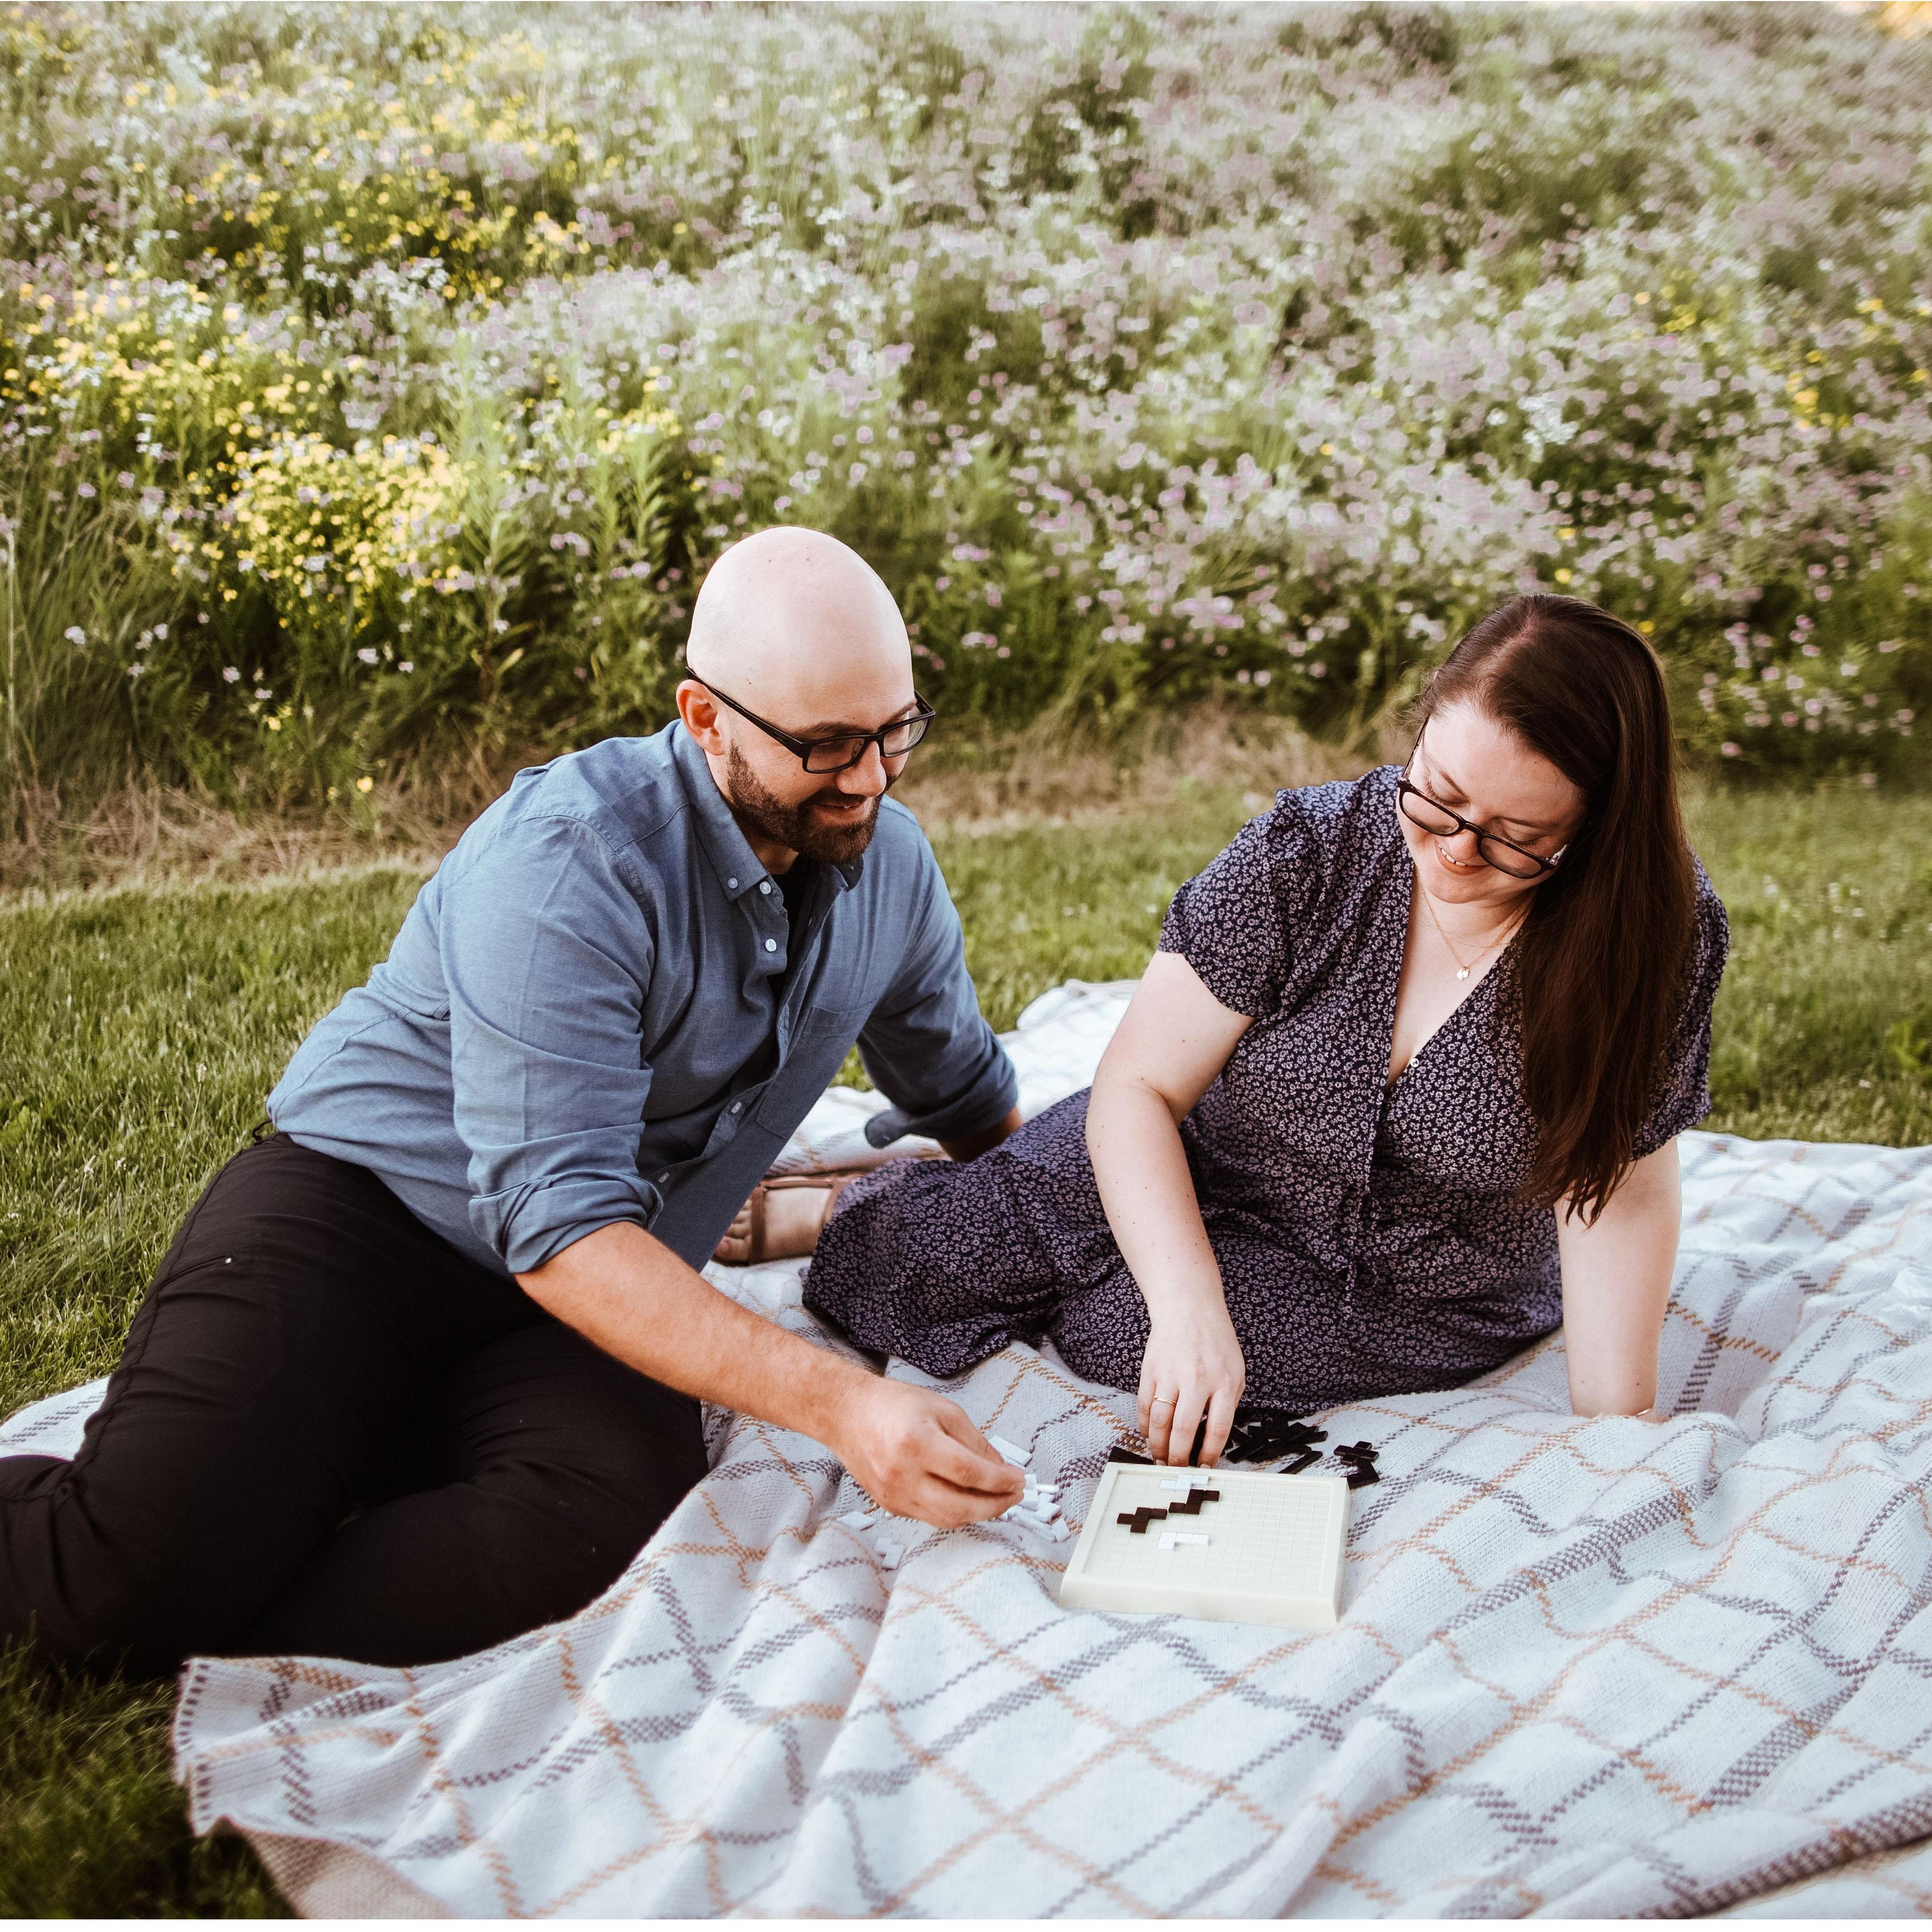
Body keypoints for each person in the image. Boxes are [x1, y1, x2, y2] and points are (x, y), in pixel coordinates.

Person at [0, 527, 1026, 1676]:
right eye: (827, 746)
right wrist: (842, 1407)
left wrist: (1086, 1207)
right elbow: (559, 1225)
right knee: (117, 1584)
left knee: (587, 1535)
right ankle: (201, 1549)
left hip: (600, 1293)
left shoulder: (891, 865)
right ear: (704, 719)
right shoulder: (571, 856)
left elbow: (967, 1090)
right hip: (369, 1219)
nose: (873, 778)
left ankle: (257, 1541)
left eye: (896, 731)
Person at [804, 594, 1730, 1467]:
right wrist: (1189, 1301)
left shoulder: (1655, 935)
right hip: (1211, 1154)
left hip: (1413, 1283)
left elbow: (1619, 1183)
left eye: (1515, 838)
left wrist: (1619, 1433)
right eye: (1438, 797)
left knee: (1118, 1335)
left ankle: (1004, 1211)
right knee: (914, 1268)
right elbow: (1139, 1088)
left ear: (1597, 832)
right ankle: (840, 1203)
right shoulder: (1307, 853)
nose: (1454, 850)